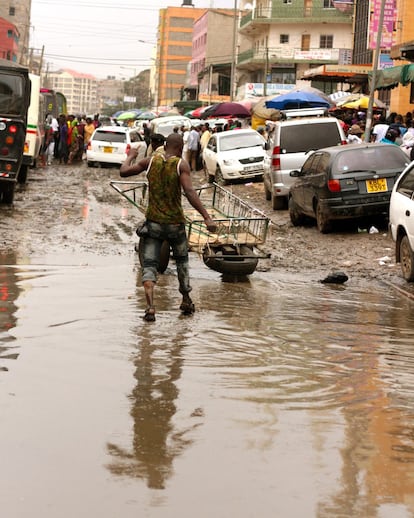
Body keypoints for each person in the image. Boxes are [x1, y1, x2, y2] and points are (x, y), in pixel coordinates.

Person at [120, 133, 217, 322]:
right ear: (180, 149)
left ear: (165, 146)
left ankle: (150, 308)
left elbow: (123, 172)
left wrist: (131, 155)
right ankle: (186, 300)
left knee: (149, 265)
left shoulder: (149, 162)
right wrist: (207, 217)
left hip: (153, 224)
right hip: (175, 225)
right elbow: (189, 191)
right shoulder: (181, 164)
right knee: (182, 261)